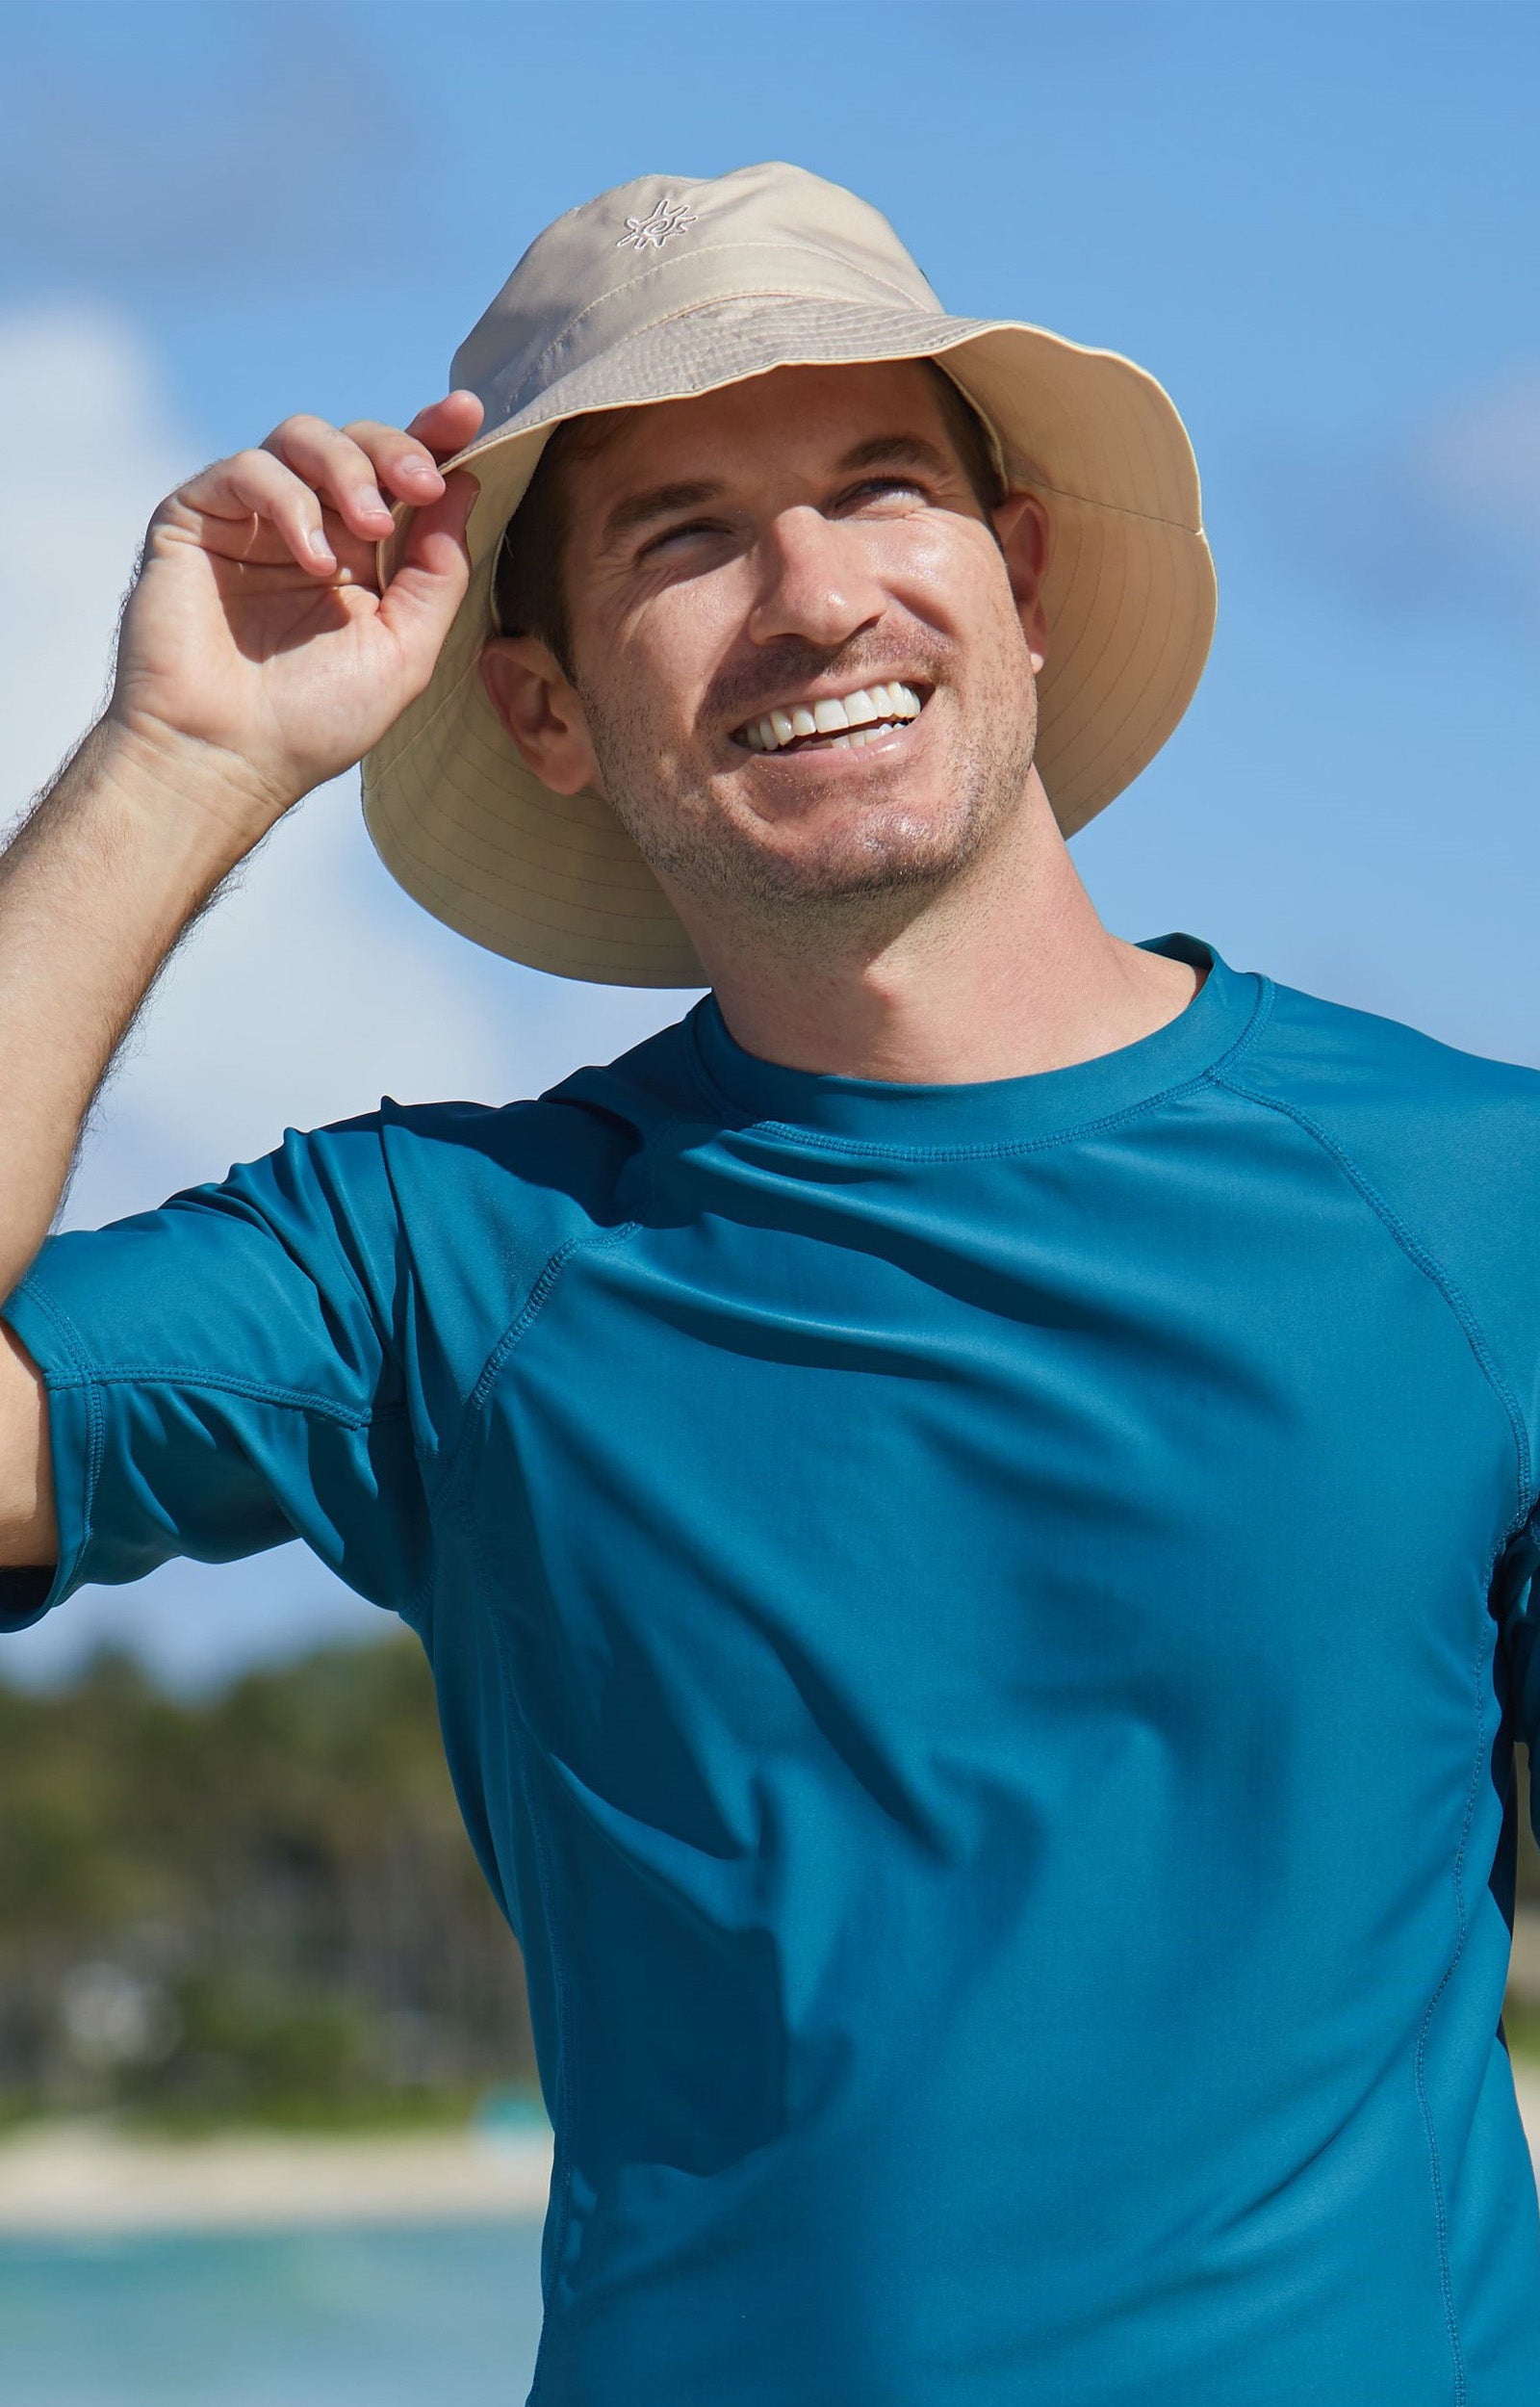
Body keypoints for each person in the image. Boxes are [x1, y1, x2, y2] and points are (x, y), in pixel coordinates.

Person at [0, 158, 1535, 2404]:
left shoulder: (1475, 1200)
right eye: (683, 535)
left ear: (1010, 576)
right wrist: (182, 761)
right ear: (541, 710)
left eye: (876, 485)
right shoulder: (444, 1263)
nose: (813, 595)